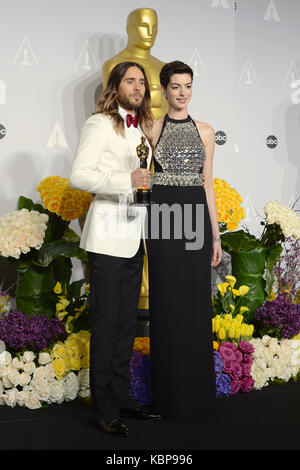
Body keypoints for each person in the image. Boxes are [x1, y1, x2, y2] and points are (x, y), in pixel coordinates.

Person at [69, 61, 162, 437]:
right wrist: (127, 180)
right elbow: (79, 175)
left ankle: (120, 397)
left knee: (125, 325)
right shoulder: (99, 124)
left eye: (142, 82)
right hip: (107, 239)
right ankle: (105, 409)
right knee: (107, 325)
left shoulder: (142, 130)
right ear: (116, 86)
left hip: (135, 237)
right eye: (130, 81)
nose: (138, 87)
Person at [147, 60, 222, 422]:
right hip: (162, 217)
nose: (182, 93)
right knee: (166, 304)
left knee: (193, 304)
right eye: (175, 86)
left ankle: (196, 396)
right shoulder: (151, 127)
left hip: (194, 217)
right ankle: (166, 398)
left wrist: (216, 235)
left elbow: (207, 185)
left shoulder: (206, 131)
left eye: (188, 86)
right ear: (164, 89)